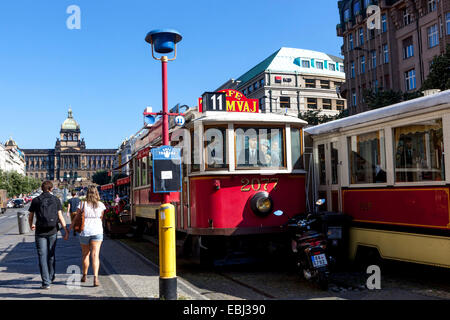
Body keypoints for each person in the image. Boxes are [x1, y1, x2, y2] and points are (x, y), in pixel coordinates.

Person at [28, 180, 69, 289]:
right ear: (51, 189)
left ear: (42, 189)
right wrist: (66, 230)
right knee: (51, 255)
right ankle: (51, 276)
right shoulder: (56, 200)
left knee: (42, 256)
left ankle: (46, 282)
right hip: (53, 231)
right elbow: (60, 217)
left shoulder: (36, 200)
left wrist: (31, 225)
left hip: (40, 231)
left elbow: (31, 215)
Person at [70, 186, 106, 287]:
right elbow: (101, 217)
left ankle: (84, 275)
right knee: (95, 256)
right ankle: (95, 278)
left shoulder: (82, 204)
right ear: (96, 193)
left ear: (87, 194)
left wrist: (69, 230)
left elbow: (76, 218)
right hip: (97, 231)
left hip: (85, 232)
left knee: (85, 254)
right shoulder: (101, 205)